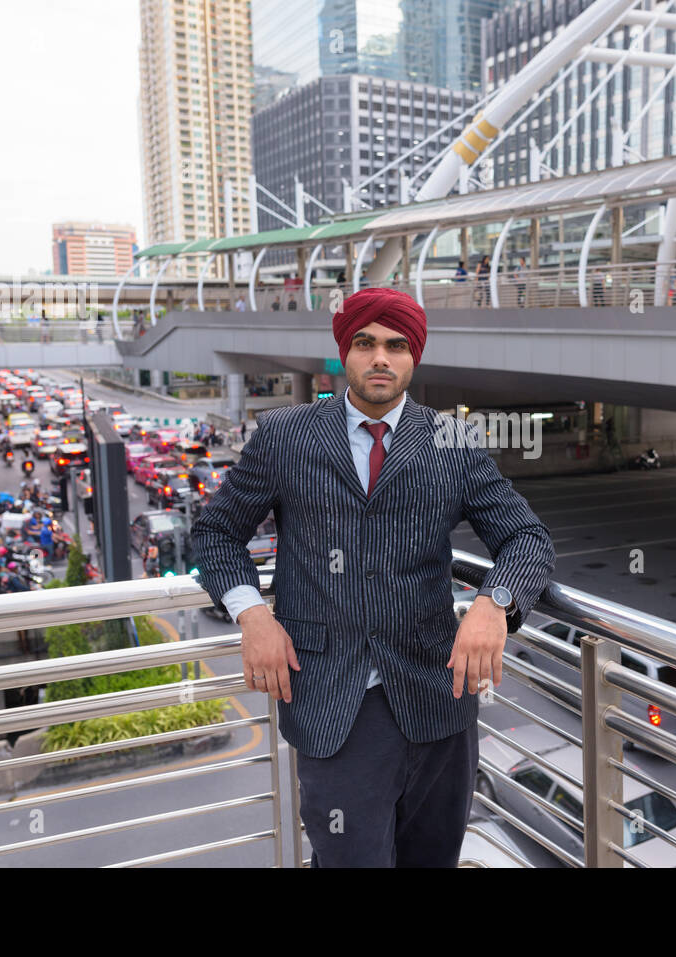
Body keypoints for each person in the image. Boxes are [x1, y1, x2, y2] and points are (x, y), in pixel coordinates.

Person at [191, 286, 555, 868]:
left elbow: (526, 538)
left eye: (396, 345)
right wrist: (252, 614)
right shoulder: (285, 436)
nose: (380, 358)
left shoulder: (451, 442)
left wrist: (495, 604)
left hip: (438, 701)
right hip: (333, 700)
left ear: (414, 358)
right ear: (345, 353)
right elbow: (215, 533)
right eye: (365, 343)